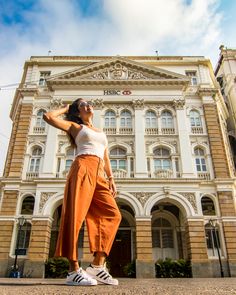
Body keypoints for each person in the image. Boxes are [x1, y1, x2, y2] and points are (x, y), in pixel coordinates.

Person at [43, 98, 122, 286]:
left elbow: (105, 155)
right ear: (78, 112)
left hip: (100, 173)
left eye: (88, 104)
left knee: (112, 215)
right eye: (82, 105)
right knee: (75, 217)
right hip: (82, 167)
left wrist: (111, 179)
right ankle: (73, 270)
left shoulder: (100, 132)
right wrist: (66, 108)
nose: (88, 106)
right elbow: (48, 116)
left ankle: (97, 266)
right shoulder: (75, 127)